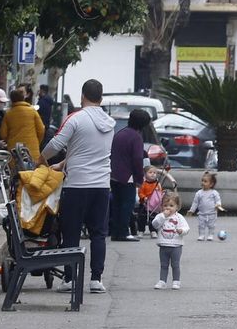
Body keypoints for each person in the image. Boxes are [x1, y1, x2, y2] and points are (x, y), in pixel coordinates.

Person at [43, 79, 116, 294]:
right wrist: (63, 163)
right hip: (102, 186)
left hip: (76, 185)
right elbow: (90, 153)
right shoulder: (110, 123)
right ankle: (96, 279)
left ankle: (70, 278)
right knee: (98, 233)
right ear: (100, 98)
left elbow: (56, 144)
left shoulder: (75, 118)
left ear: (83, 96)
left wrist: (41, 159)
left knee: (71, 232)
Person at [109, 110, 149, 243]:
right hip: (128, 176)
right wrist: (139, 178)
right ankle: (124, 232)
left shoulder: (120, 133)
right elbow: (137, 159)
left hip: (114, 174)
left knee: (117, 204)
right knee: (127, 205)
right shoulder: (136, 137)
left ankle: (115, 231)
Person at [151, 193, 190, 289]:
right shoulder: (160, 216)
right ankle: (162, 281)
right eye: (165, 205)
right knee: (163, 264)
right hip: (163, 244)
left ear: (177, 207)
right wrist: (163, 216)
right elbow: (155, 225)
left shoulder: (179, 217)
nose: (168, 208)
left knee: (175, 264)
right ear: (161, 206)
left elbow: (186, 228)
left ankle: (176, 281)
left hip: (176, 245)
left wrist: (182, 231)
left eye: (171, 206)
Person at [0, 85, 45, 164]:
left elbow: (3, 134)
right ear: (23, 98)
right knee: (32, 175)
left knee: (16, 174)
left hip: (14, 151)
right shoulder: (32, 111)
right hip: (31, 150)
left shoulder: (8, 114)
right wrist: (37, 142)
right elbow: (41, 129)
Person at [191, 171, 223, 241]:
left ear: (211, 184)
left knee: (211, 225)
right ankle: (201, 235)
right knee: (201, 225)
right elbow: (195, 202)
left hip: (212, 213)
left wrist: (218, 204)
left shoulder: (214, 193)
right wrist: (192, 210)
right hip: (202, 213)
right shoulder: (199, 193)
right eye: (202, 181)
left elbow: (218, 200)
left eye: (205, 181)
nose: (203, 183)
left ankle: (210, 235)